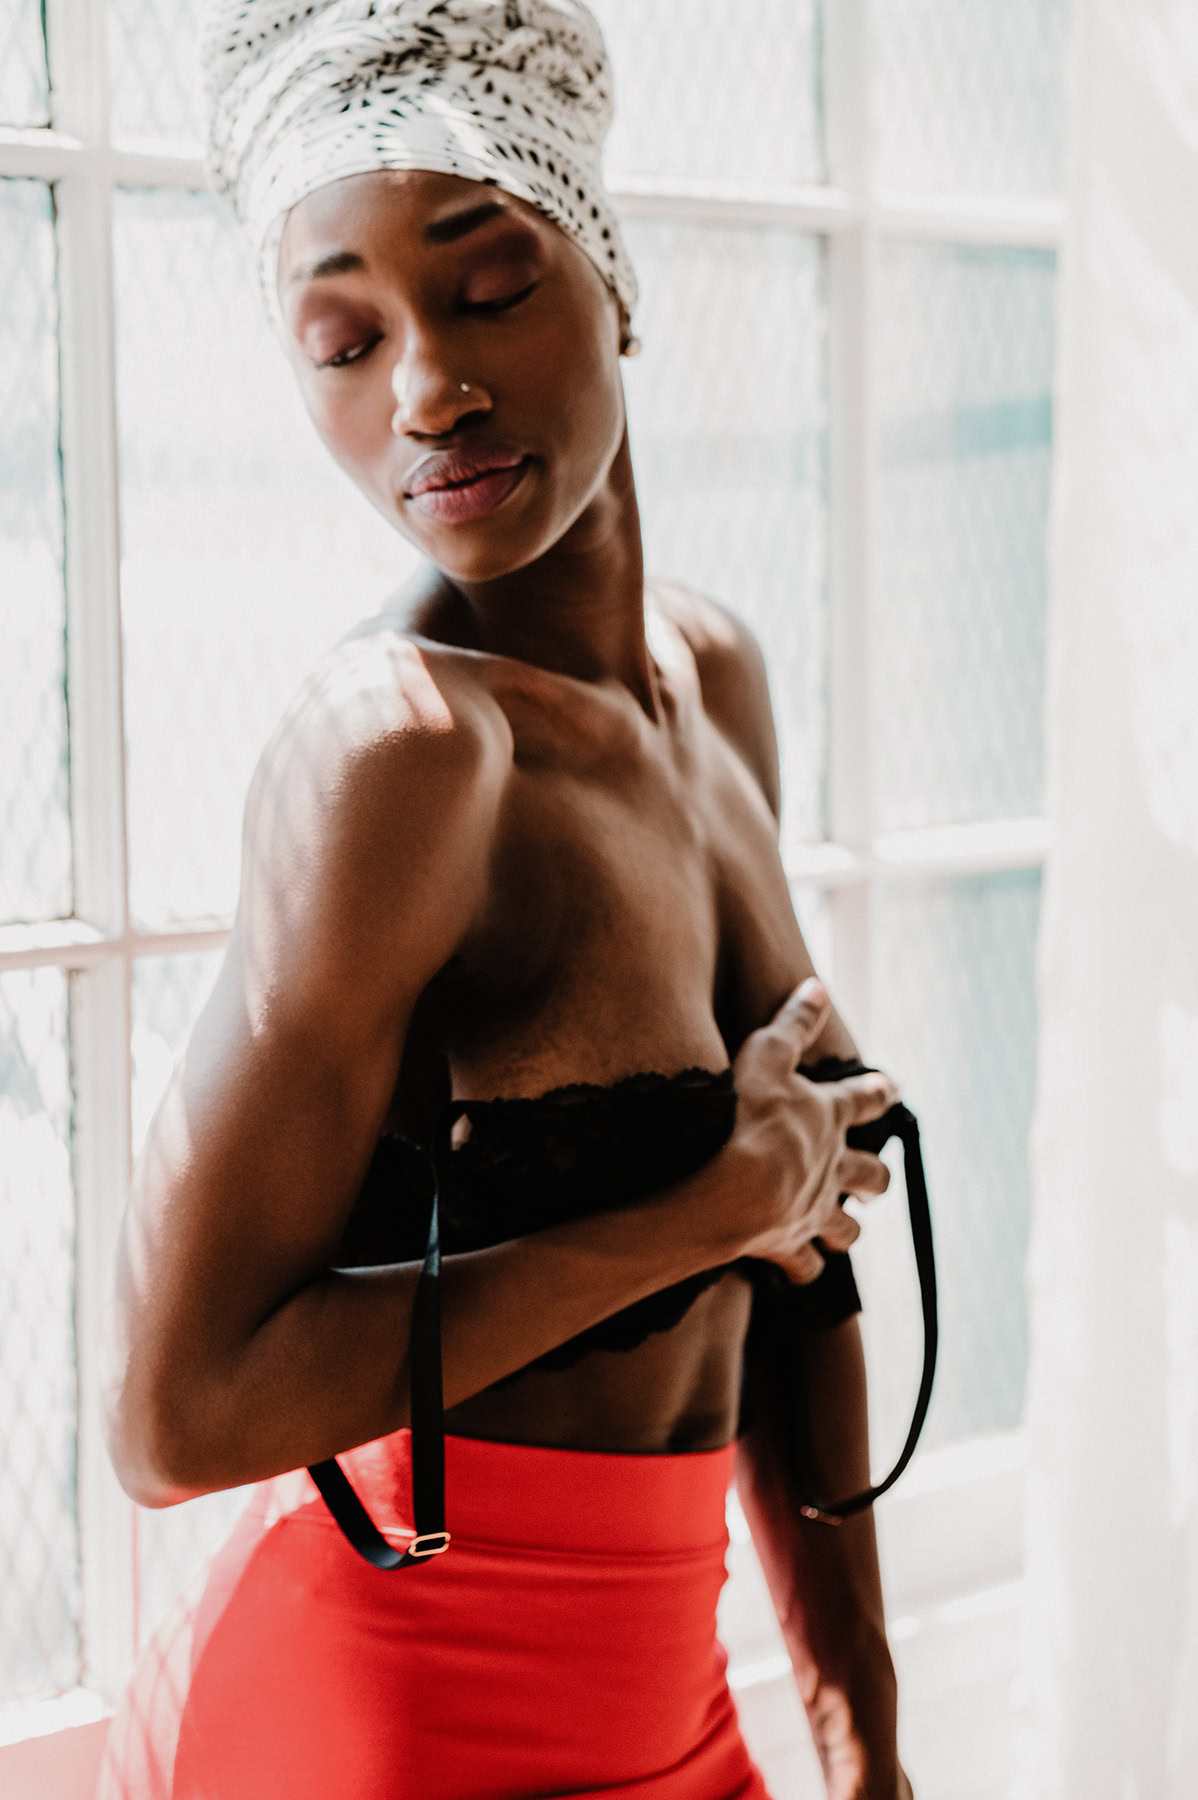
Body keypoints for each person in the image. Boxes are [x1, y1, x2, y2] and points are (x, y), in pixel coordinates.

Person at [97, 4, 913, 1796]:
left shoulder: (708, 679)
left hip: (667, 1683)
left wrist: (861, 1732)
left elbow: (792, 1281)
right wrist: (700, 1211)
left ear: (614, 284)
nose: (422, 392)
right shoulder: (400, 756)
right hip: (385, 1698)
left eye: (486, 288)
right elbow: (174, 1418)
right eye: (342, 341)